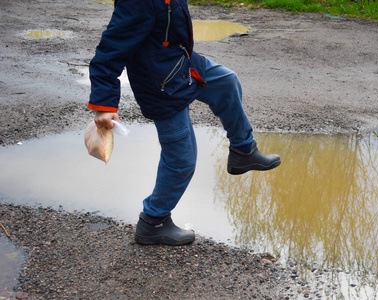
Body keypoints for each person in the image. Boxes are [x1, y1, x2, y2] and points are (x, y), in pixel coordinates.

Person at [88, 0, 281, 246]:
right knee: (182, 159)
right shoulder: (137, 2)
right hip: (159, 85)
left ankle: (244, 151)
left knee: (226, 82)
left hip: (182, 63)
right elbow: (108, 52)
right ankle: (153, 221)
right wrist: (103, 105)